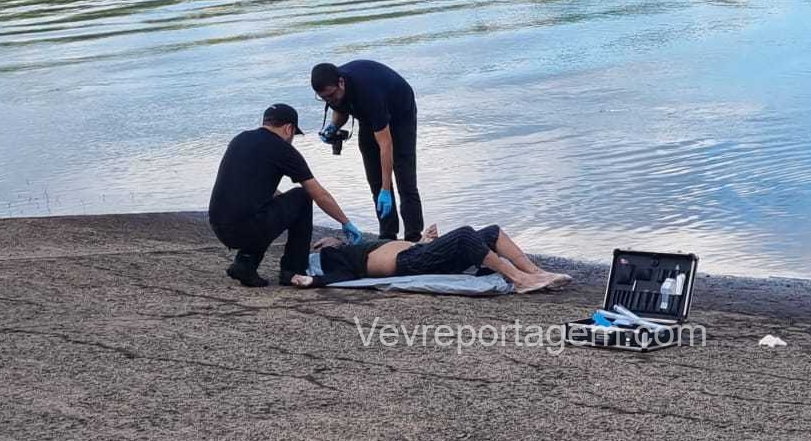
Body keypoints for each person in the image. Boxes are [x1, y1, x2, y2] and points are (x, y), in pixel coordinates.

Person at [208, 103, 364, 287]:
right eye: (293, 135)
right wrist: (345, 222)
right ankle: (293, 269)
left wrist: (286, 209)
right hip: (244, 228)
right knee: (302, 196)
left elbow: (253, 189)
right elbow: (318, 193)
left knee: (267, 207)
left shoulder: (240, 139)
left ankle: (245, 264)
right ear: (289, 128)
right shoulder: (282, 150)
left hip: (218, 225)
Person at [310, 60, 422, 242]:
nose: (329, 100)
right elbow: (341, 108)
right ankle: (387, 235)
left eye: (331, 95)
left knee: (405, 177)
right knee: (374, 178)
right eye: (324, 98)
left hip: (400, 114)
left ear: (341, 82)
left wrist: (386, 189)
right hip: (369, 118)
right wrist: (332, 127)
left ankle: (414, 236)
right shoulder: (332, 91)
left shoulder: (368, 93)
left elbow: (385, 145)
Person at [291, 223, 573, 293]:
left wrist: (424, 241)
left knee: (490, 232)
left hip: (417, 253)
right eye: (329, 244)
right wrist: (313, 280)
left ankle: (536, 274)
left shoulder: (348, 246)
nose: (330, 242)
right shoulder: (335, 259)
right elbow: (344, 277)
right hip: (408, 264)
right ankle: (519, 279)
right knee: (464, 235)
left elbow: (398, 245)